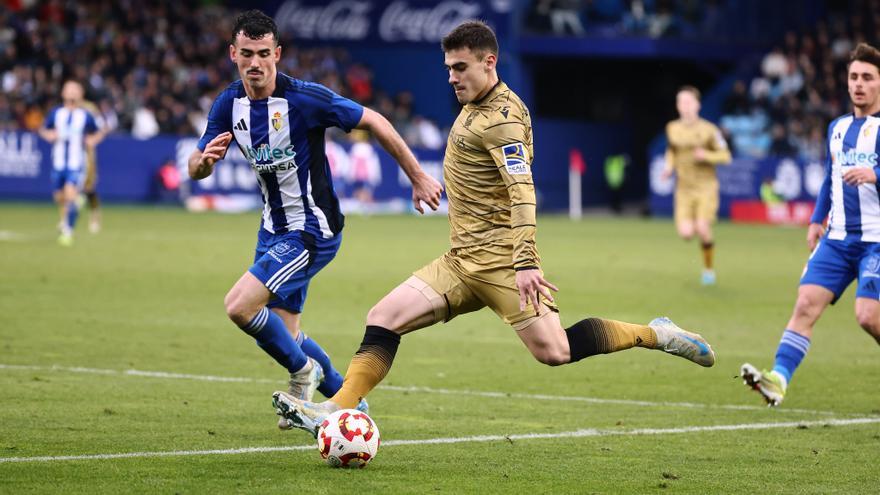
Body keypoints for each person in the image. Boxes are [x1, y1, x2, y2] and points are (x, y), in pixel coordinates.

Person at [272, 20, 716, 437]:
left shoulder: (502, 120)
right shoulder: (476, 103)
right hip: (461, 261)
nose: (452, 77)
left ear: (490, 62)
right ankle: (338, 408)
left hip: (503, 263)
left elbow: (522, 192)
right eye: (448, 68)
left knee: (555, 351)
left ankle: (656, 333)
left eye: (460, 67)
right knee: (383, 318)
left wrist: (525, 262)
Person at [187, 10, 443, 427]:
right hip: (272, 229)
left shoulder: (305, 99)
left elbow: (375, 120)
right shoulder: (228, 104)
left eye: (264, 54)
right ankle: (351, 403)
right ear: (233, 54)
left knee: (239, 306)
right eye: (247, 54)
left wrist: (417, 176)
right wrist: (203, 164)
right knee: (283, 334)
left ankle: (303, 373)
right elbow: (195, 166)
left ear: (277, 54)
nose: (255, 63)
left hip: (312, 230)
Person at [741, 43, 880, 407]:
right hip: (837, 239)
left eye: (868, 77)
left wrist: (876, 174)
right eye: (854, 77)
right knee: (805, 305)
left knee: (868, 317)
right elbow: (830, 179)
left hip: (877, 241)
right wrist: (817, 219)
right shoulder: (837, 128)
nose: (859, 84)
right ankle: (778, 380)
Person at [662, 86, 732, 286]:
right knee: (686, 233)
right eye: (680, 102)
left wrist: (706, 155)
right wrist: (669, 166)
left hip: (705, 187)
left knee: (702, 227)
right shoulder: (672, 128)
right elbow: (672, 151)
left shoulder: (709, 130)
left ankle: (708, 270)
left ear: (698, 105)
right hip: (683, 188)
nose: (684, 106)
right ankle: (698, 228)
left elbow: (726, 155)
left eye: (688, 102)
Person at [37, 80, 105, 246]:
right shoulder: (56, 113)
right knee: (59, 197)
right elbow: (43, 128)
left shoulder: (86, 114)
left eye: (75, 89)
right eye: (69, 89)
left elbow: (99, 130)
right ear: (63, 93)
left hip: (76, 163)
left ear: (81, 94)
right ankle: (70, 212)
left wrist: (92, 140)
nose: (72, 92)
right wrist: (48, 135)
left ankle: (68, 231)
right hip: (58, 162)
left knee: (71, 193)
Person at [80, 99, 106, 234]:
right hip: (68, 152)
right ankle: (66, 219)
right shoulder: (63, 109)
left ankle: (95, 217)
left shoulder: (89, 108)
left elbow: (103, 127)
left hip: (85, 152)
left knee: (88, 187)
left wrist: (93, 139)